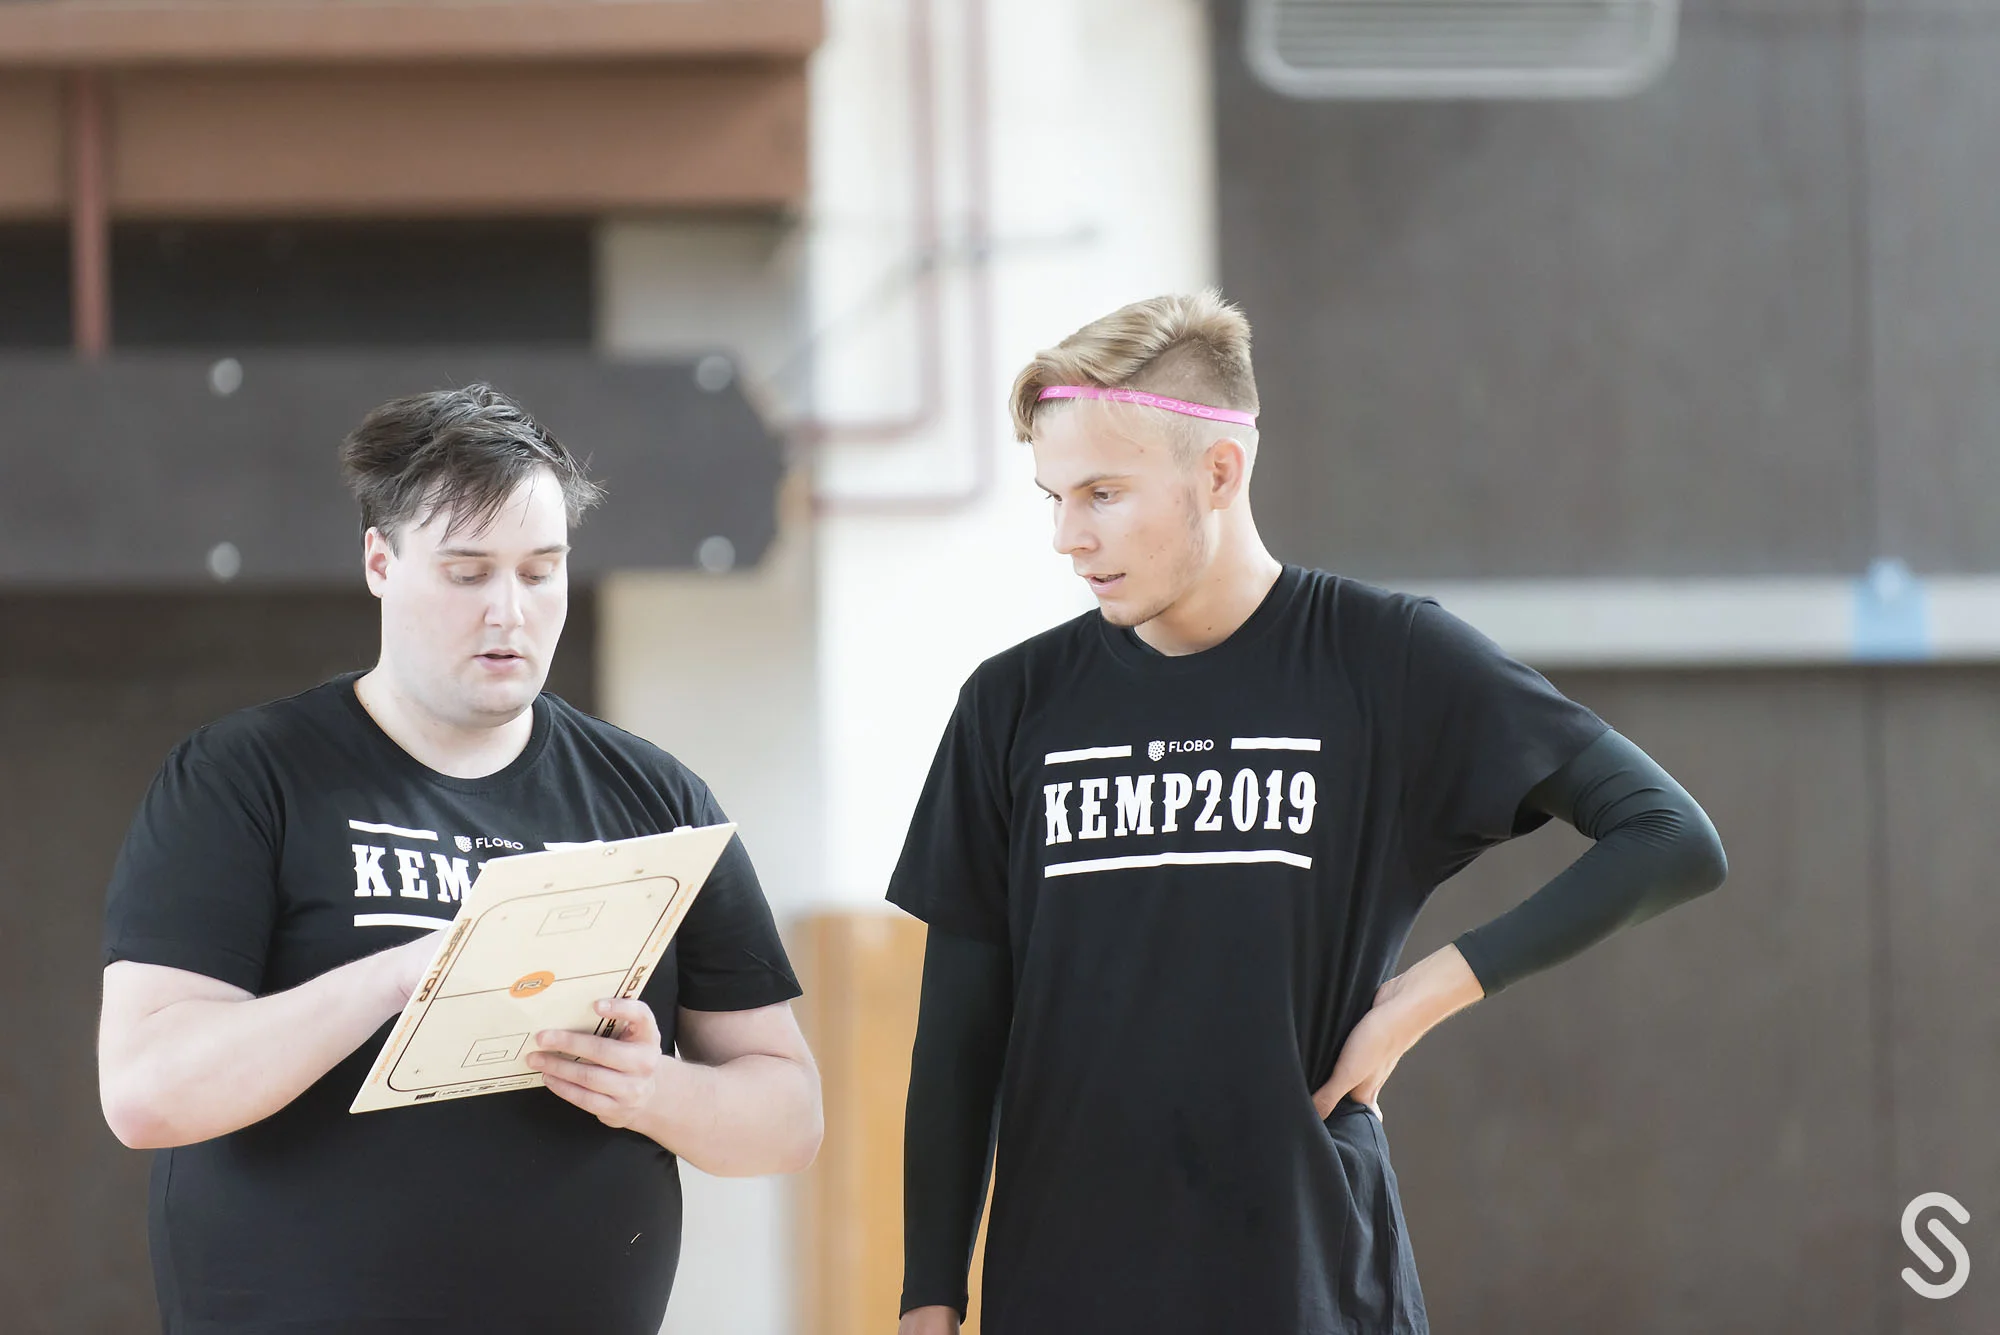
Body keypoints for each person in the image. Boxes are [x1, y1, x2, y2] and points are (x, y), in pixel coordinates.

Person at [889, 293, 1729, 1335]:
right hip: (1062, 1287)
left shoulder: (1384, 660)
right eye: (1054, 497)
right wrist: (928, 1297)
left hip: (1308, 1283)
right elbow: (959, 1028)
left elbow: (1667, 836)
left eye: (1102, 493)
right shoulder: (1011, 703)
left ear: (1218, 471)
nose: (1068, 536)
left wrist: (1419, 997)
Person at [97, 384, 822, 1334]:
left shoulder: (657, 800)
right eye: (468, 573)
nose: (509, 612)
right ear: (380, 562)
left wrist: (656, 1090)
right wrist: (403, 977)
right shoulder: (244, 779)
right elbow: (146, 1093)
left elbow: (788, 1116)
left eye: (540, 571)